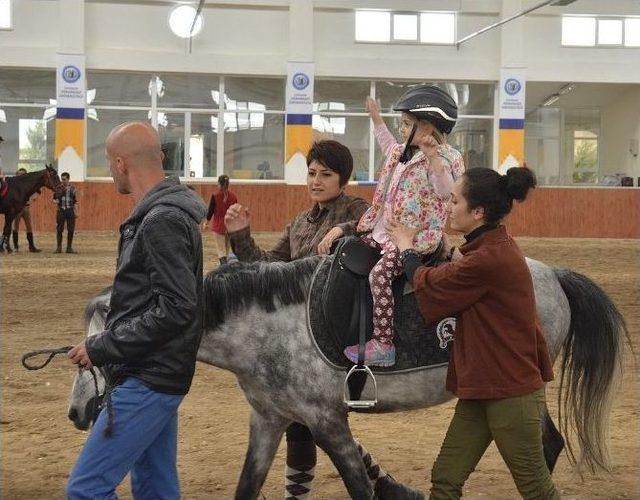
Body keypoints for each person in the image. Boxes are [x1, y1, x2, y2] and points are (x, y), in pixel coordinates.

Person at [225, 140, 402, 499]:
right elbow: (269, 270)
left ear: (343, 179)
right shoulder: (299, 223)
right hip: (301, 338)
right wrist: (240, 236)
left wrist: (346, 230)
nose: (316, 181)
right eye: (311, 173)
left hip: (342, 334)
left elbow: (382, 229)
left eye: (326, 174)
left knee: (308, 422)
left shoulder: (359, 210)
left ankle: (366, 488)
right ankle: (384, 485)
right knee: (311, 423)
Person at [387, 166, 559, 499]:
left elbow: (430, 284)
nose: (448, 207)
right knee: (445, 478)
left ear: (477, 212)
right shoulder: (491, 246)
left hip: (511, 394)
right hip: (482, 386)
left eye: (454, 201)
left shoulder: (487, 259)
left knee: (536, 488)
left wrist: (406, 247)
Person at [66, 121, 206, 500]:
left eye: (110, 164)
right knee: (155, 490)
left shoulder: (161, 220)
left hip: (148, 377)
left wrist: (102, 346)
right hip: (154, 374)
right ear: (159, 157)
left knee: (86, 490)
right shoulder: (161, 216)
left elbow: (177, 307)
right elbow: (157, 300)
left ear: (121, 163)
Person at [342, 86, 465, 367]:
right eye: (402, 123)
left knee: (379, 275)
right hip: (383, 230)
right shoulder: (401, 151)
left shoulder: (448, 157)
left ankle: (384, 344)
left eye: (407, 124)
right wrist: (376, 119)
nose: (401, 129)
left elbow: (447, 191)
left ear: (428, 127)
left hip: (413, 239)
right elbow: (387, 144)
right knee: (346, 254)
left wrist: (433, 157)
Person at [205, 174, 237, 265]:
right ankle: (225, 268)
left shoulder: (215, 195)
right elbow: (235, 212)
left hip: (219, 227)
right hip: (230, 227)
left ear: (219, 184)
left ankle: (223, 268)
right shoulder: (233, 196)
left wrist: (206, 222)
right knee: (226, 251)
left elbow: (210, 210)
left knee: (221, 250)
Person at [12, 167, 42, 252]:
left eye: (23, 174)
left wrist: (32, 198)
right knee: (15, 226)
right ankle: (16, 247)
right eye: (20, 174)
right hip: (17, 207)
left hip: (26, 207)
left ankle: (31, 246)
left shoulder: (29, 184)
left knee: (29, 226)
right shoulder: (15, 184)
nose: (21, 175)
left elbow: (38, 191)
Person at [53, 172, 78, 253]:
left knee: (71, 230)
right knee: (59, 229)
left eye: (64, 179)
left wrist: (76, 211)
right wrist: (55, 201)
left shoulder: (73, 189)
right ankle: (59, 247)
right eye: (62, 179)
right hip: (61, 210)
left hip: (70, 210)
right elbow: (54, 199)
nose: (63, 181)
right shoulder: (58, 188)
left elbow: (75, 201)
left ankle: (69, 247)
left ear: (68, 179)